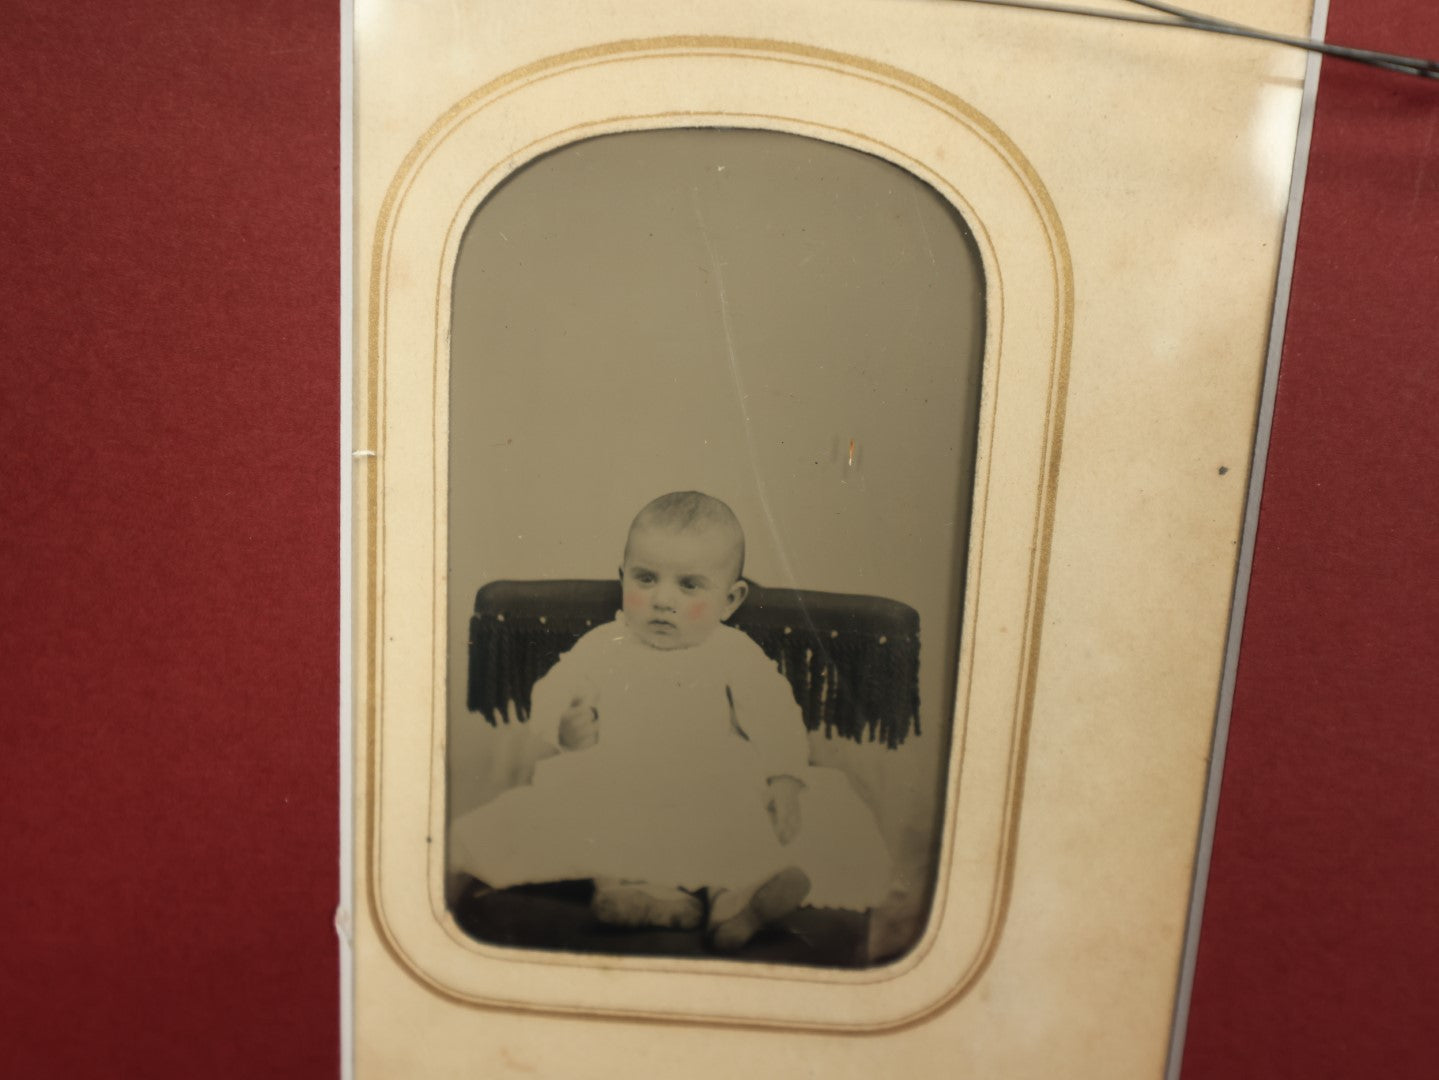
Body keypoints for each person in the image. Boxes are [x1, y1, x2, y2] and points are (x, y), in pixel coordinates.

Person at [449, 491, 892, 950]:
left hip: (705, 780)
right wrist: (564, 726)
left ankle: (735, 903)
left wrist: (784, 775)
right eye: (646, 578)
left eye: (689, 585)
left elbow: (775, 710)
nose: (662, 600)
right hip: (617, 776)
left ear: (730, 599)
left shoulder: (732, 652)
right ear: (622, 578)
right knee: (592, 820)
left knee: (740, 825)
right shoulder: (605, 644)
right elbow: (554, 689)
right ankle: (634, 891)